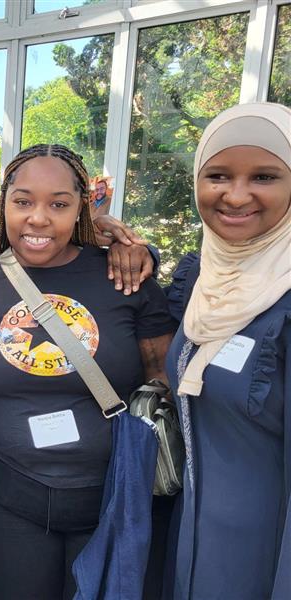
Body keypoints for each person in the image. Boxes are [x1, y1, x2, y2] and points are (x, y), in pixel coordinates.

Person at [0, 144, 175, 599]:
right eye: (23, 201)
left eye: (58, 204)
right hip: (8, 499)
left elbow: (162, 380)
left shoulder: (124, 278)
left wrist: (134, 246)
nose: (38, 218)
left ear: (81, 210)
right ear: (4, 203)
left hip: (113, 498)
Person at [164, 103, 291, 600]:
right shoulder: (201, 281)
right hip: (191, 539)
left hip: (267, 555)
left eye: (264, 176)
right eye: (218, 175)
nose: (235, 195)